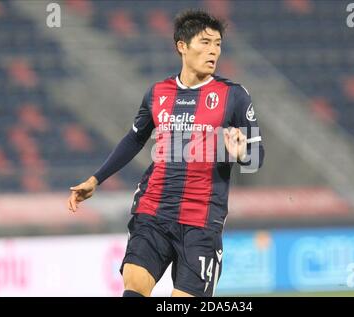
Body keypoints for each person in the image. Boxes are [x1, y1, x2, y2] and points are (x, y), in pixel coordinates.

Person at [67, 9, 264, 297]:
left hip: (202, 223)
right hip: (153, 212)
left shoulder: (234, 96)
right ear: (182, 46)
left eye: (218, 44)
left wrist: (241, 153)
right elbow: (134, 140)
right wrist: (96, 179)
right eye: (205, 42)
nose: (213, 51)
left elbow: (257, 157)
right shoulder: (157, 93)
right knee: (133, 287)